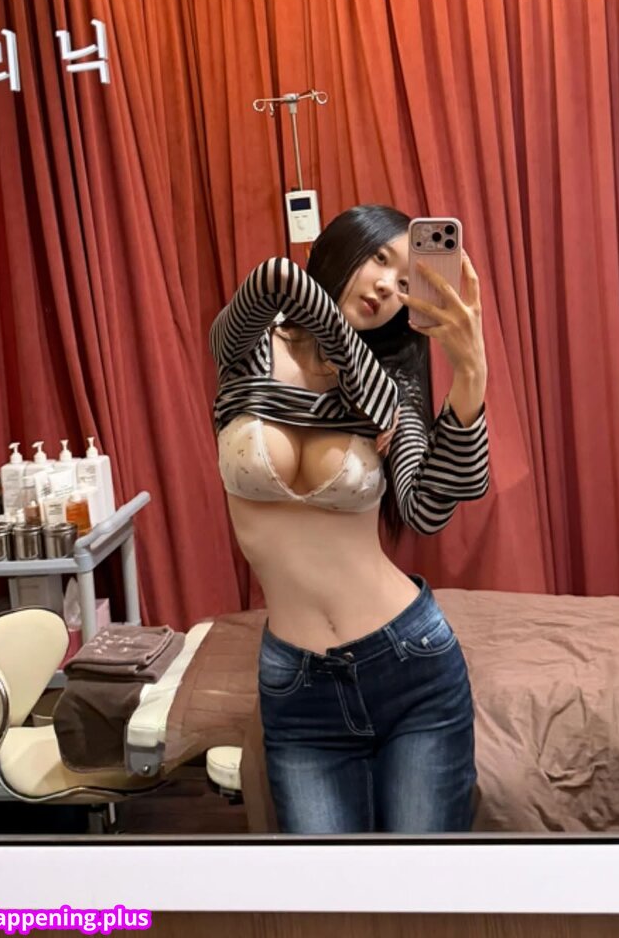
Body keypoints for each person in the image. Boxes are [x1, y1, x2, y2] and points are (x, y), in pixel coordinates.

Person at [209, 204, 489, 833]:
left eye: (407, 282)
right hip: (298, 688)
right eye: (380, 259)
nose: (388, 286)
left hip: (411, 663)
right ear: (344, 246)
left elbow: (428, 508)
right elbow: (277, 278)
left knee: (424, 888)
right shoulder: (248, 351)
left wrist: (471, 373)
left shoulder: (393, 386)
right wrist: (353, 361)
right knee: (327, 890)